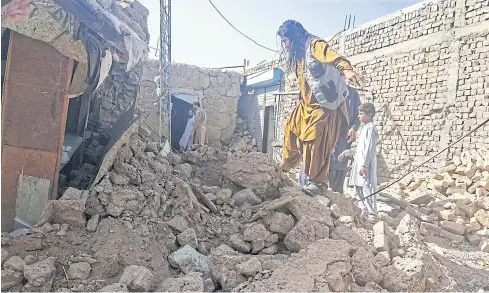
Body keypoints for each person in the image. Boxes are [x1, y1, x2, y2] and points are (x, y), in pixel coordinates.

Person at [278, 20, 363, 193]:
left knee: (314, 142)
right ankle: (286, 166)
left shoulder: (314, 45)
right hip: (306, 104)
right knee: (291, 129)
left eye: (286, 40)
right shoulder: (299, 55)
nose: (285, 45)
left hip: (324, 106)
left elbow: (332, 56)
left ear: (294, 37)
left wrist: (346, 70)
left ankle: (317, 182)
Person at [339, 102, 378, 221]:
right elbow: (359, 148)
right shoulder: (364, 129)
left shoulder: (371, 129)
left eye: (361, 114)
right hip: (359, 163)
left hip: (365, 164)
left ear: (369, 115)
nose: (359, 116)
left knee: (367, 188)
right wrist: (345, 153)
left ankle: (372, 214)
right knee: (358, 187)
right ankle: (364, 210)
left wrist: (365, 164)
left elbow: (369, 149)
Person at [328, 84, 361, 193]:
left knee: (340, 165)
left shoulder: (352, 93)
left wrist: (353, 128)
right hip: (328, 137)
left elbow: (357, 116)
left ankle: (338, 195)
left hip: (344, 138)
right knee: (328, 165)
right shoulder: (328, 89)